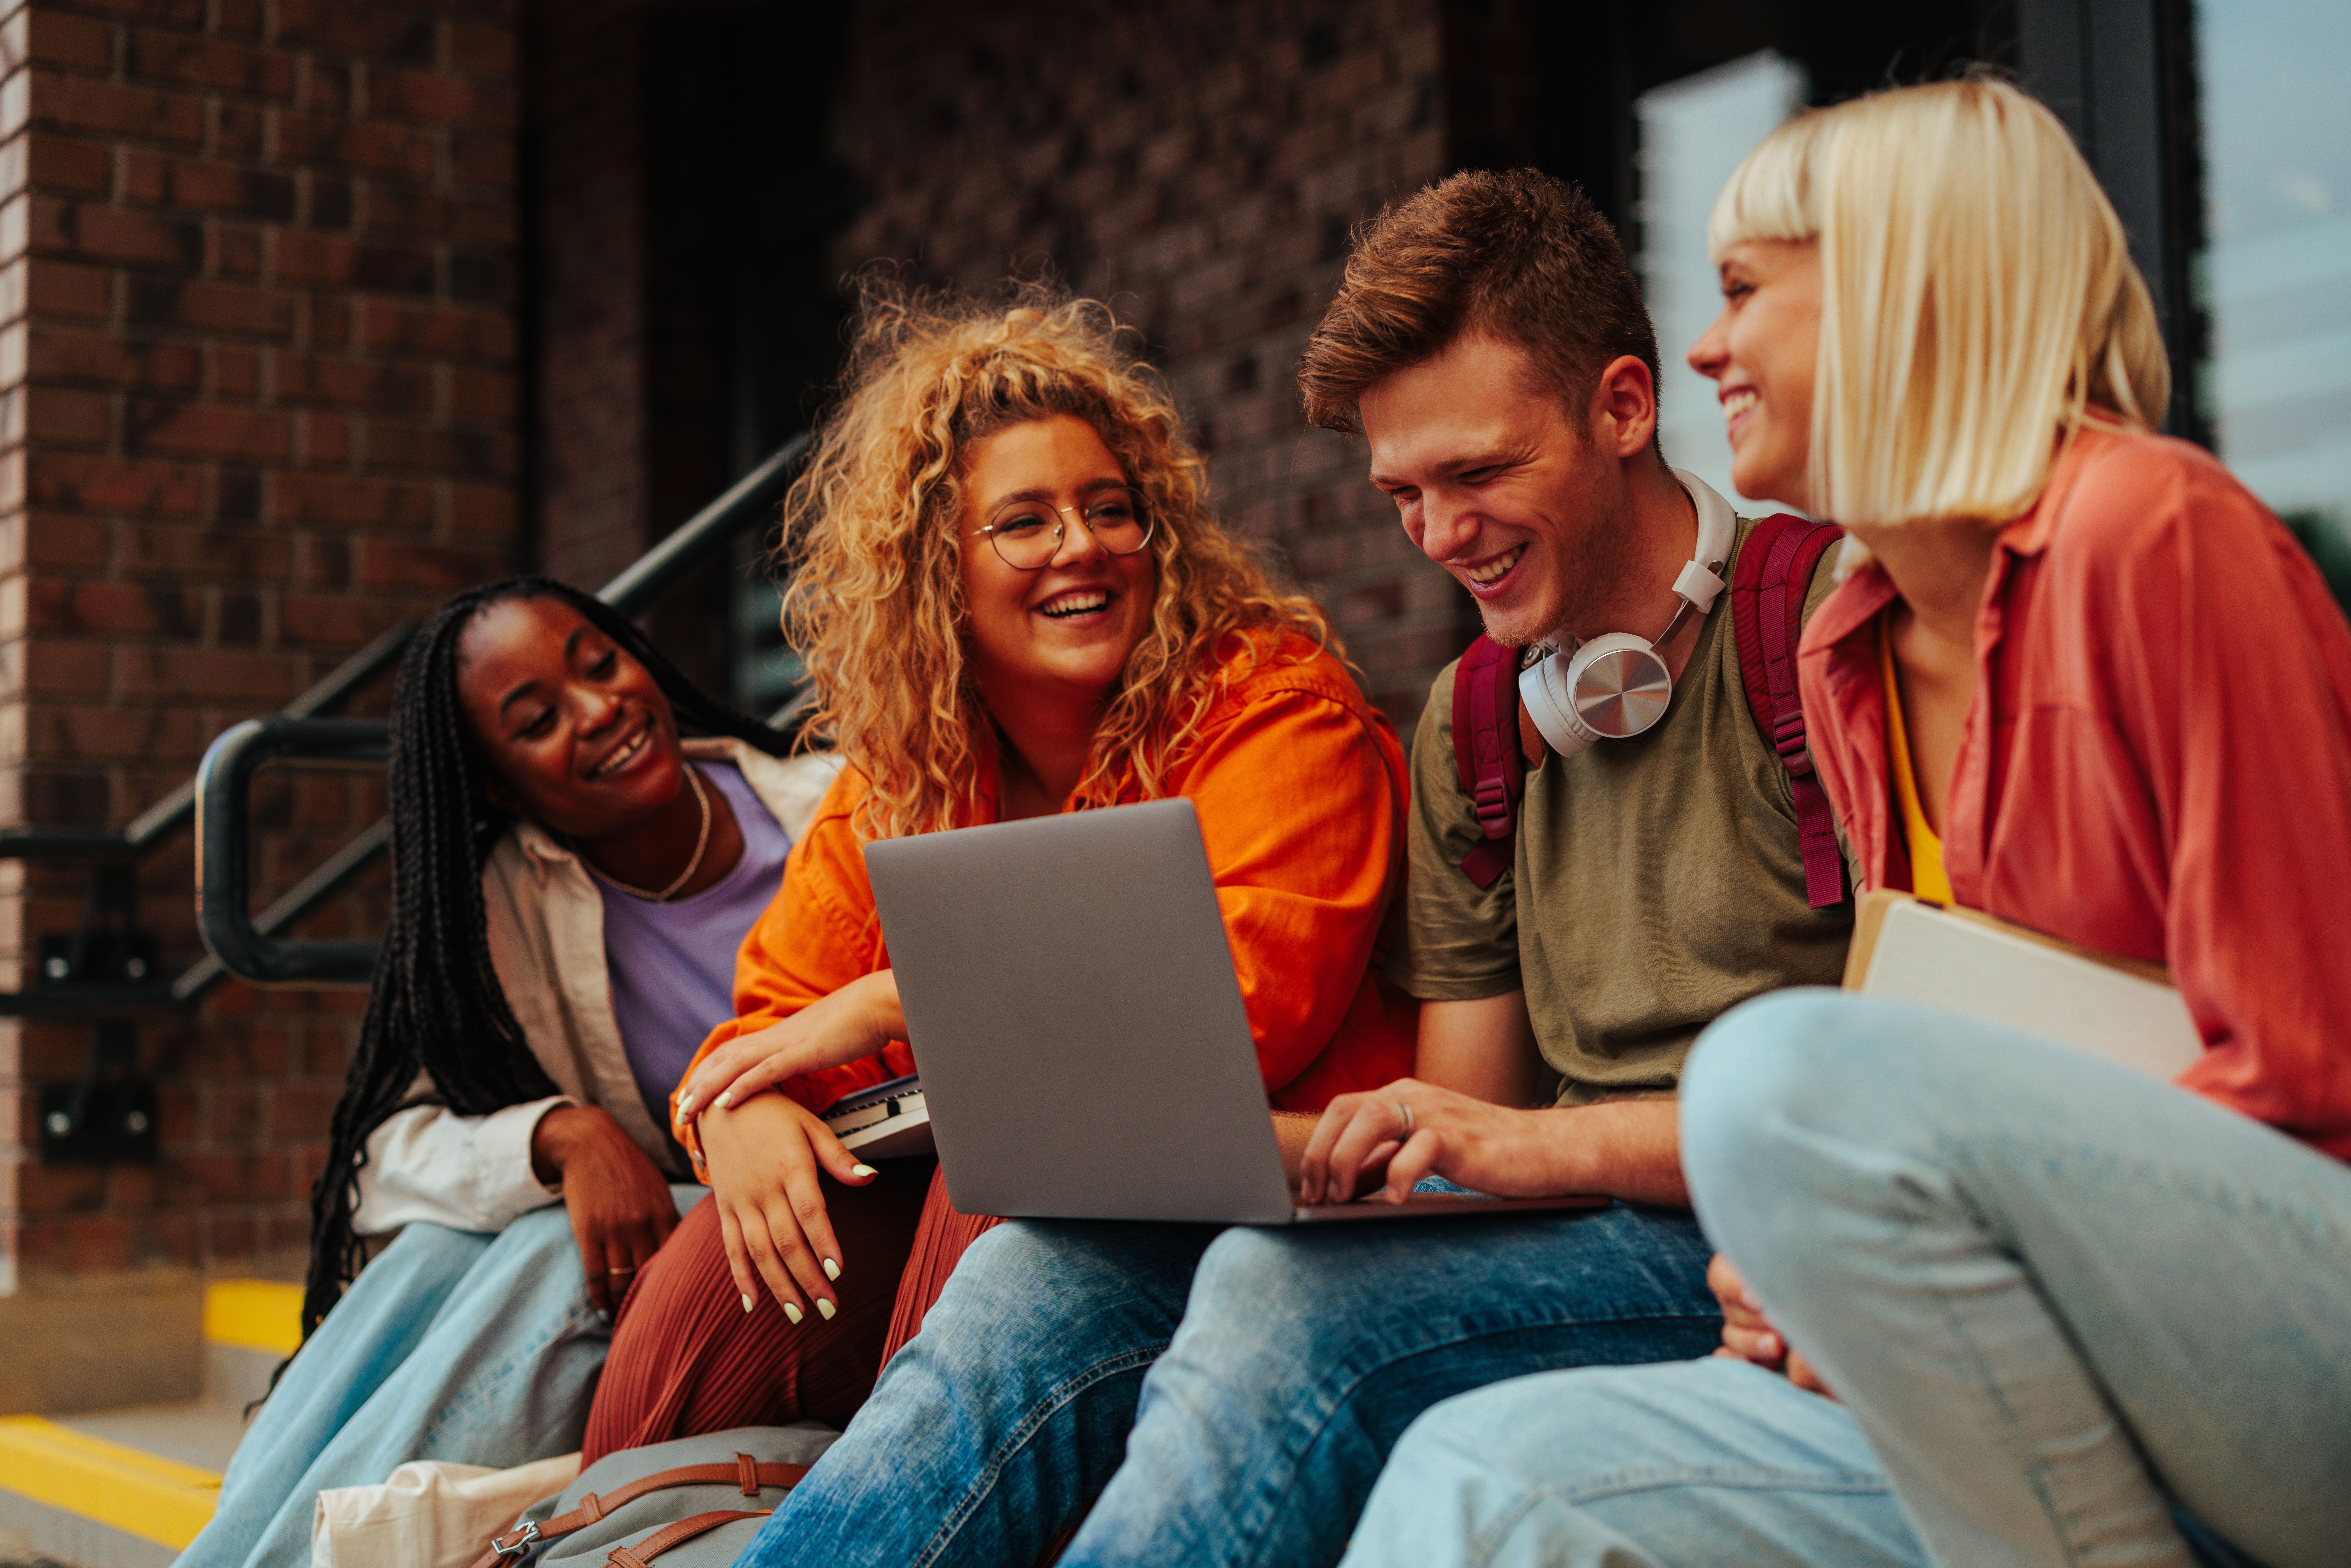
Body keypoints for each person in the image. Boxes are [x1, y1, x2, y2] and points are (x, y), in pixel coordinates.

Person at [732, 168, 1856, 1568]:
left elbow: (1899, 1096)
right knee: (1044, 1266)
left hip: (1767, 1244)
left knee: (1288, 1301)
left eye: (1481, 473)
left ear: (1624, 407)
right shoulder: (1481, 719)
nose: (1443, 538)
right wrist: (1218, 1159)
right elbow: (1461, 1127)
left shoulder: (1829, 635)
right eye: (1403, 494)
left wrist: (1499, 1154)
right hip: (1573, 1221)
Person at [1342, 77, 2351, 1568]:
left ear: (1906, 290)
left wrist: (1885, 1240)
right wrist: (1810, 1263)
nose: (1704, 345)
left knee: (1781, 1068)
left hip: (2278, 1331)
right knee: (1489, 1472)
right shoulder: (1851, 643)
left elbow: (2312, 1081)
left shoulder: (2156, 532)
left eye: (1744, 290)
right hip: (2025, 1363)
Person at [579, 284, 1419, 1458]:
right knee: (712, 1292)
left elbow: (1229, 1024)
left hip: (1280, 1207)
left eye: (1109, 508)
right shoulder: (904, 771)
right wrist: (742, 1110)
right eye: (1024, 521)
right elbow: (772, 1018)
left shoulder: (1272, 712)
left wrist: (900, 996)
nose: (1080, 544)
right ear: (937, 571)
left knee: (1005, 1148)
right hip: (1031, 1186)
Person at [179, 577, 858, 1568]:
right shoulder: (502, 902)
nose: (600, 710)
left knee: (547, 1250)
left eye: (601, 663)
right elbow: (380, 1161)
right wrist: (560, 1136)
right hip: (690, 1246)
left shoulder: (836, 805)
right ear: (497, 783)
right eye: (538, 719)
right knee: (431, 1255)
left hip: (826, 1224)